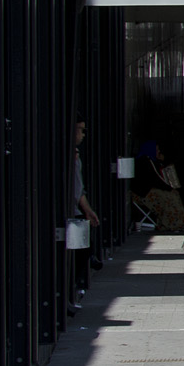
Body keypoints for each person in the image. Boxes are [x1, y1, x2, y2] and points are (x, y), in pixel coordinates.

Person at [69, 119, 100, 314]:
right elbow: (76, 189)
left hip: (75, 211)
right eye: (79, 130)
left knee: (82, 248)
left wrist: (87, 209)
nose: (83, 134)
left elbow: (78, 188)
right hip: (71, 212)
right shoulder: (72, 156)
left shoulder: (75, 155)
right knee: (79, 250)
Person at [133, 139, 184, 233]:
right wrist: (169, 189)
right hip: (144, 193)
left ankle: (178, 223)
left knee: (173, 196)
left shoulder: (152, 161)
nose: (158, 152)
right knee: (170, 198)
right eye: (157, 150)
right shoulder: (145, 161)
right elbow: (156, 179)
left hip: (149, 191)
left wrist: (162, 161)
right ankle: (173, 224)